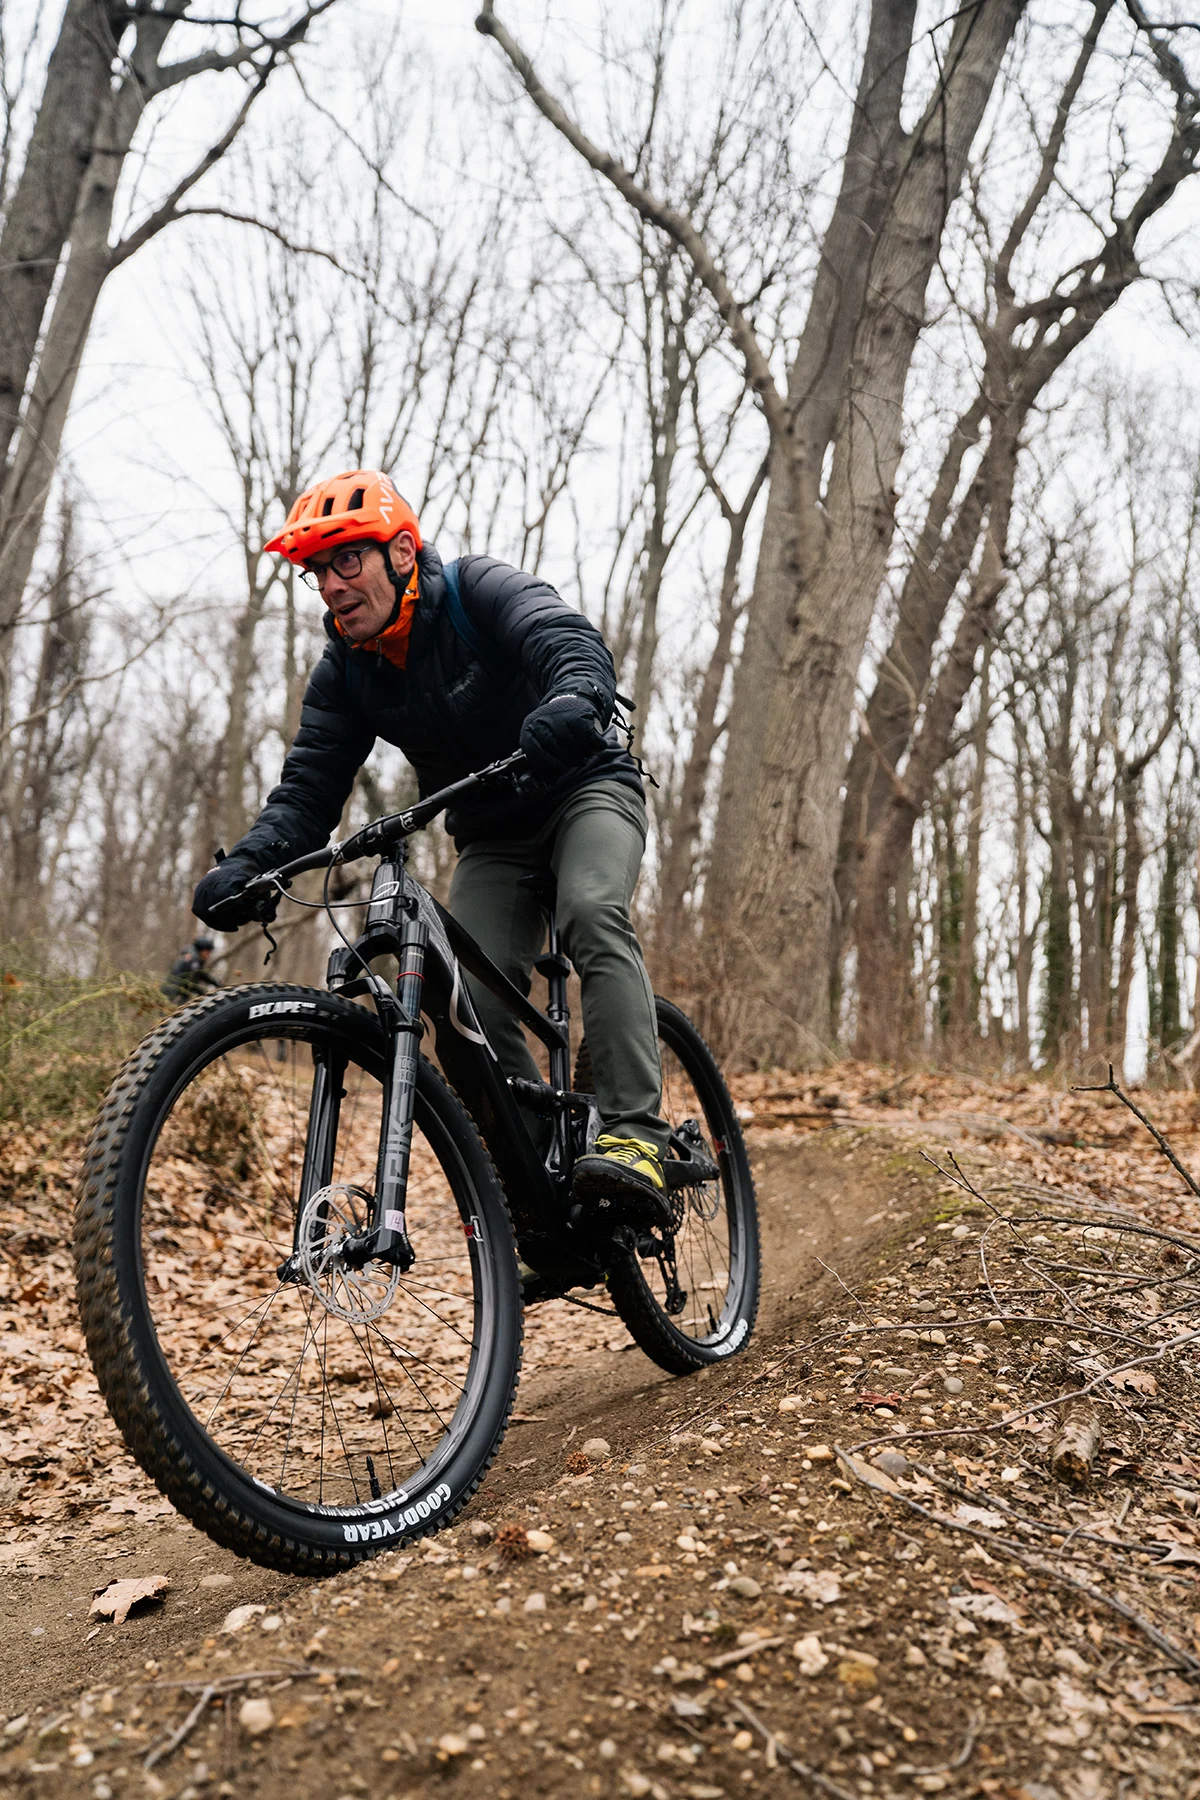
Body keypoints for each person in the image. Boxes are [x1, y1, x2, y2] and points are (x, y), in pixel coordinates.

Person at [192, 469, 670, 1214]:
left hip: (584, 786)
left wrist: (575, 698)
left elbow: (564, 639)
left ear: (404, 554)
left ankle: (636, 1134)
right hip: (492, 834)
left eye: (346, 559)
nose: (331, 585)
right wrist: (253, 864)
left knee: (590, 911)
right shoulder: (346, 671)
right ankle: (546, 1185)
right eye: (318, 571)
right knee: (464, 1006)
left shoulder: (478, 592)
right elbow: (309, 789)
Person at [162, 935, 219, 1004]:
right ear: (202, 950)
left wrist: (217, 984)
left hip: (178, 991)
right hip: (174, 993)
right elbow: (189, 982)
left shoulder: (195, 959)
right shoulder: (192, 960)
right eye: (207, 952)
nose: (208, 955)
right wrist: (202, 992)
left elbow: (203, 975)